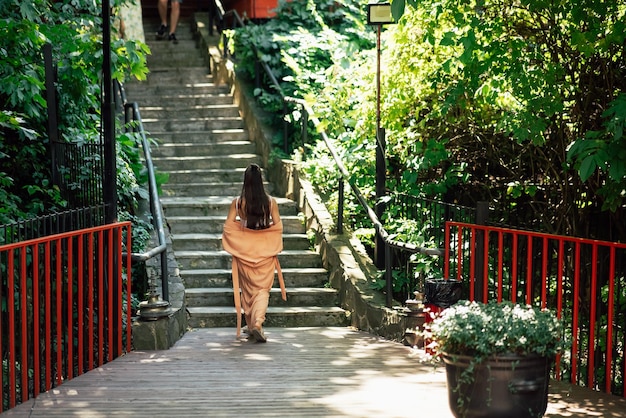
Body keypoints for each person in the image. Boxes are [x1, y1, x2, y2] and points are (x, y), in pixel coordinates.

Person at [222, 164, 286, 343]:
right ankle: (256, 324)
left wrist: (241, 238)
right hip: (265, 253)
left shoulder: (238, 202)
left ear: (245, 181)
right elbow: (278, 226)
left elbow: (228, 227)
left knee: (249, 291)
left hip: (244, 253)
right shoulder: (270, 202)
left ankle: (253, 325)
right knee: (262, 291)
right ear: (261, 182)